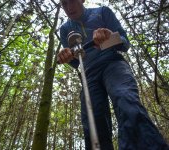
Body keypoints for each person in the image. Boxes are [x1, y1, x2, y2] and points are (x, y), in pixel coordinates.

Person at [57, 0, 169, 149]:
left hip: (113, 64)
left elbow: (125, 42)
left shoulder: (102, 12)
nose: (69, 7)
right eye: (64, 4)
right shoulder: (65, 29)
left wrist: (109, 36)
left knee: (124, 97)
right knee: (93, 120)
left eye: (72, 1)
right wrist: (66, 56)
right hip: (89, 74)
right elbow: (76, 61)